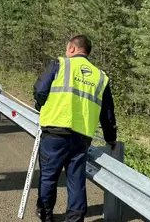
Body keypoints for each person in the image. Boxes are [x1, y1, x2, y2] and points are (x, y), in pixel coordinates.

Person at [33, 35, 117, 222]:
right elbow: (108, 113)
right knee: (76, 179)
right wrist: (111, 138)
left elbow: (39, 90)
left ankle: (46, 214)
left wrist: (40, 106)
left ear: (72, 48)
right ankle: (75, 218)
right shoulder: (100, 77)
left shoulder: (60, 64)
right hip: (81, 137)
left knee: (48, 176)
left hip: (55, 132)